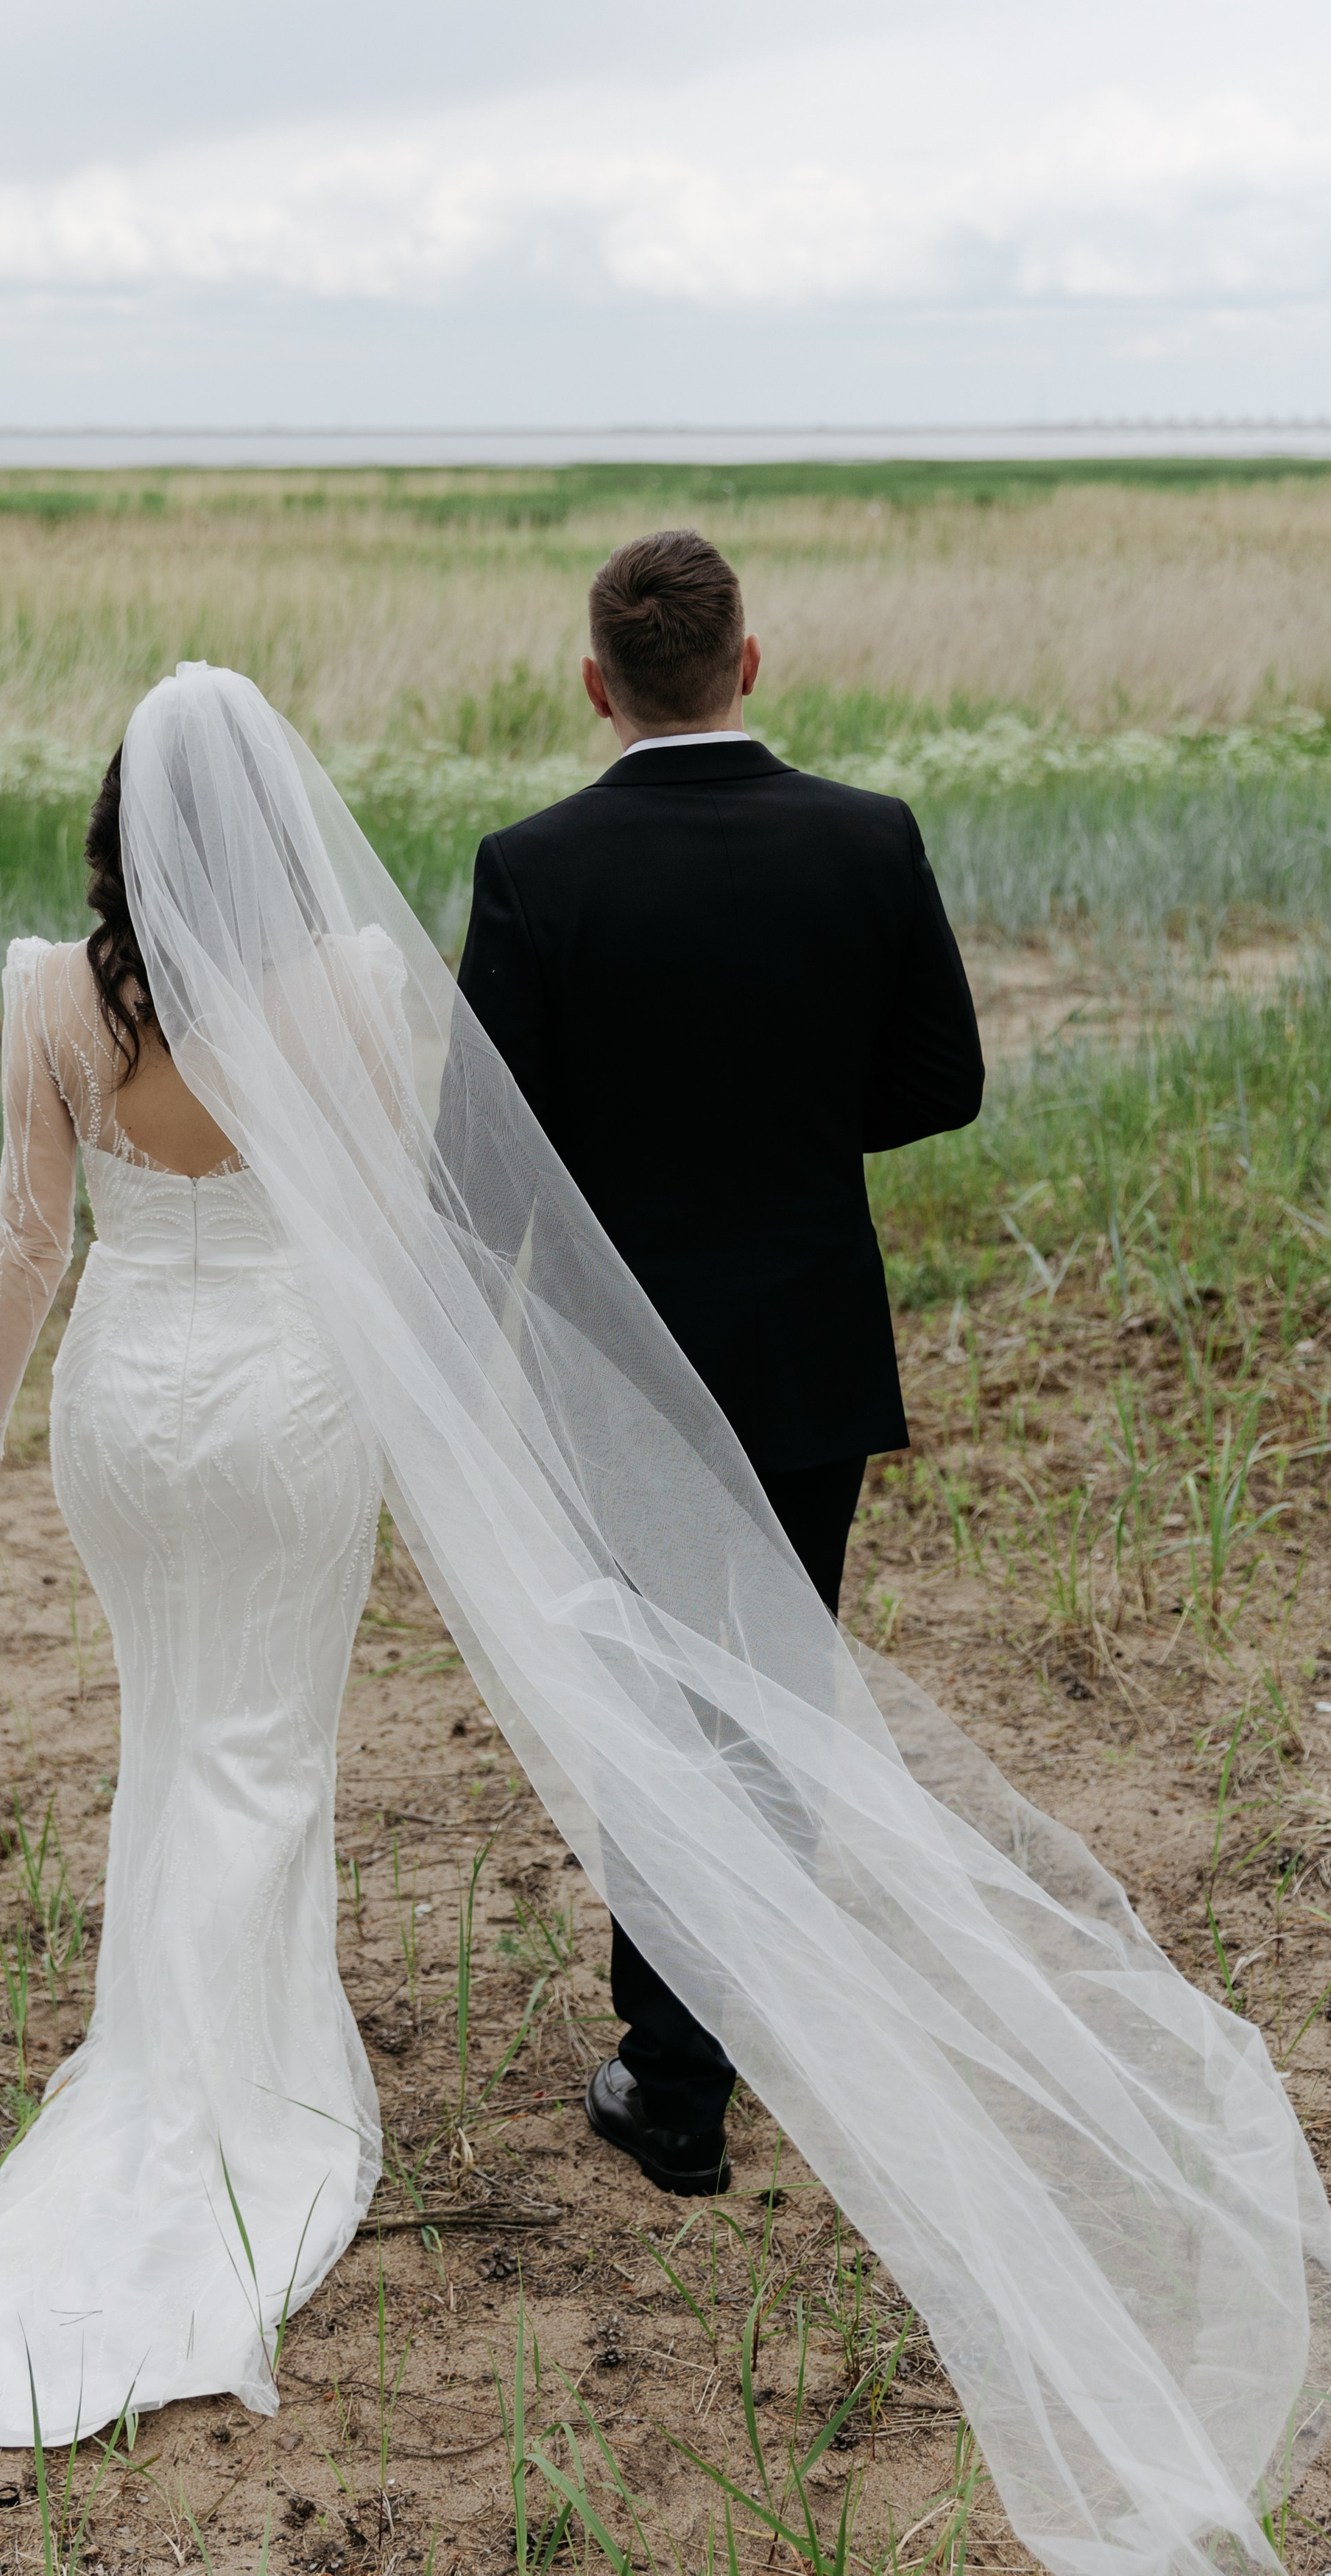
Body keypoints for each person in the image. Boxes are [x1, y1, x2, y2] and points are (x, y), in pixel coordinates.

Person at [0, 663, 1324, 2576]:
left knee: (169, 1732)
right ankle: (244, 2105)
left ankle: (163, 2074)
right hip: (288, 1401)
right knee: (267, 1750)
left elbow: (25, 1235)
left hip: (123, 1407)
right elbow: (407, 1216)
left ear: (118, 824)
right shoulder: (348, 985)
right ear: (279, 823)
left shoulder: (55, 990)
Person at [454, 528, 984, 2198]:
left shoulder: (532, 867)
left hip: (614, 1366)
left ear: (594, 686)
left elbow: (475, 1166)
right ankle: (724, 2040)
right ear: (746, 662)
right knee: (775, 1698)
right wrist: (787, 1136)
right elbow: (942, 1083)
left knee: (651, 1707)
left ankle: (675, 2078)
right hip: (806, 1346)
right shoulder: (867, 836)